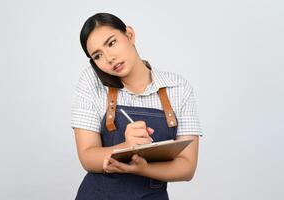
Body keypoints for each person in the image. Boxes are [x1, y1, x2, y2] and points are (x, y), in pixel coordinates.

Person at [71, 12, 203, 200]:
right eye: (98, 56)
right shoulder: (92, 82)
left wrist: (144, 168)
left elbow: (187, 167)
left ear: (130, 35)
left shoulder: (178, 87)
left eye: (112, 43)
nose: (109, 58)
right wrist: (126, 146)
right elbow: (87, 156)